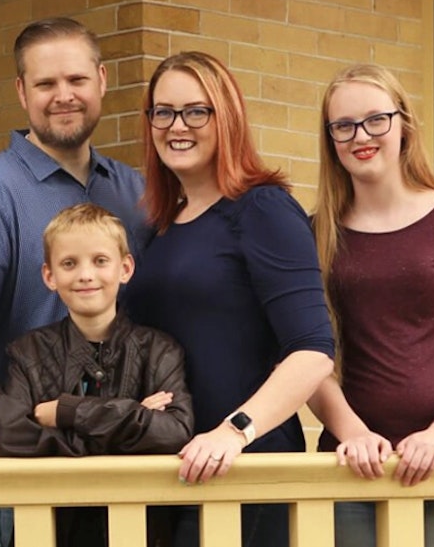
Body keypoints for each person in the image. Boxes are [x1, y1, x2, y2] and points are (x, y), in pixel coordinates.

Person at [0, 17, 148, 547]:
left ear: (102, 81)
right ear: (21, 92)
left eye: (76, 80)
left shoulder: (134, 192)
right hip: (25, 469)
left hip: (127, 466)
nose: (63, 96)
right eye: (45, 84)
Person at [123, 51, 335, 547]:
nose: (178, 125)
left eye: (197, 111)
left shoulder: (262, 208)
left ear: (228, 117)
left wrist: (235, 431)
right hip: (171, 471)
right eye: (163, 111)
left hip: (244, 471)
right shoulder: (159, 227)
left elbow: (313, 350)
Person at [308, 63, 434, 547]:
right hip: (353, 468)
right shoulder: (314, 233)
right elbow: (307, 358)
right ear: (330, 139)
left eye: (376, 119)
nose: (362, 135)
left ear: (405, 124)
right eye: (344, 125)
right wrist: (352, 433)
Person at [0, 203, 193, 547]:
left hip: (139, 532)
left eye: (100, 261)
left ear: (125, 268)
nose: (86, 275)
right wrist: (133, 415)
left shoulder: (160, 350)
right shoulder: (27, 353)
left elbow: (174, 432)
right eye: (69, 263)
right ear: (49, 276)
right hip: (50, 532)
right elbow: (12, 440)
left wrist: (67, 412)